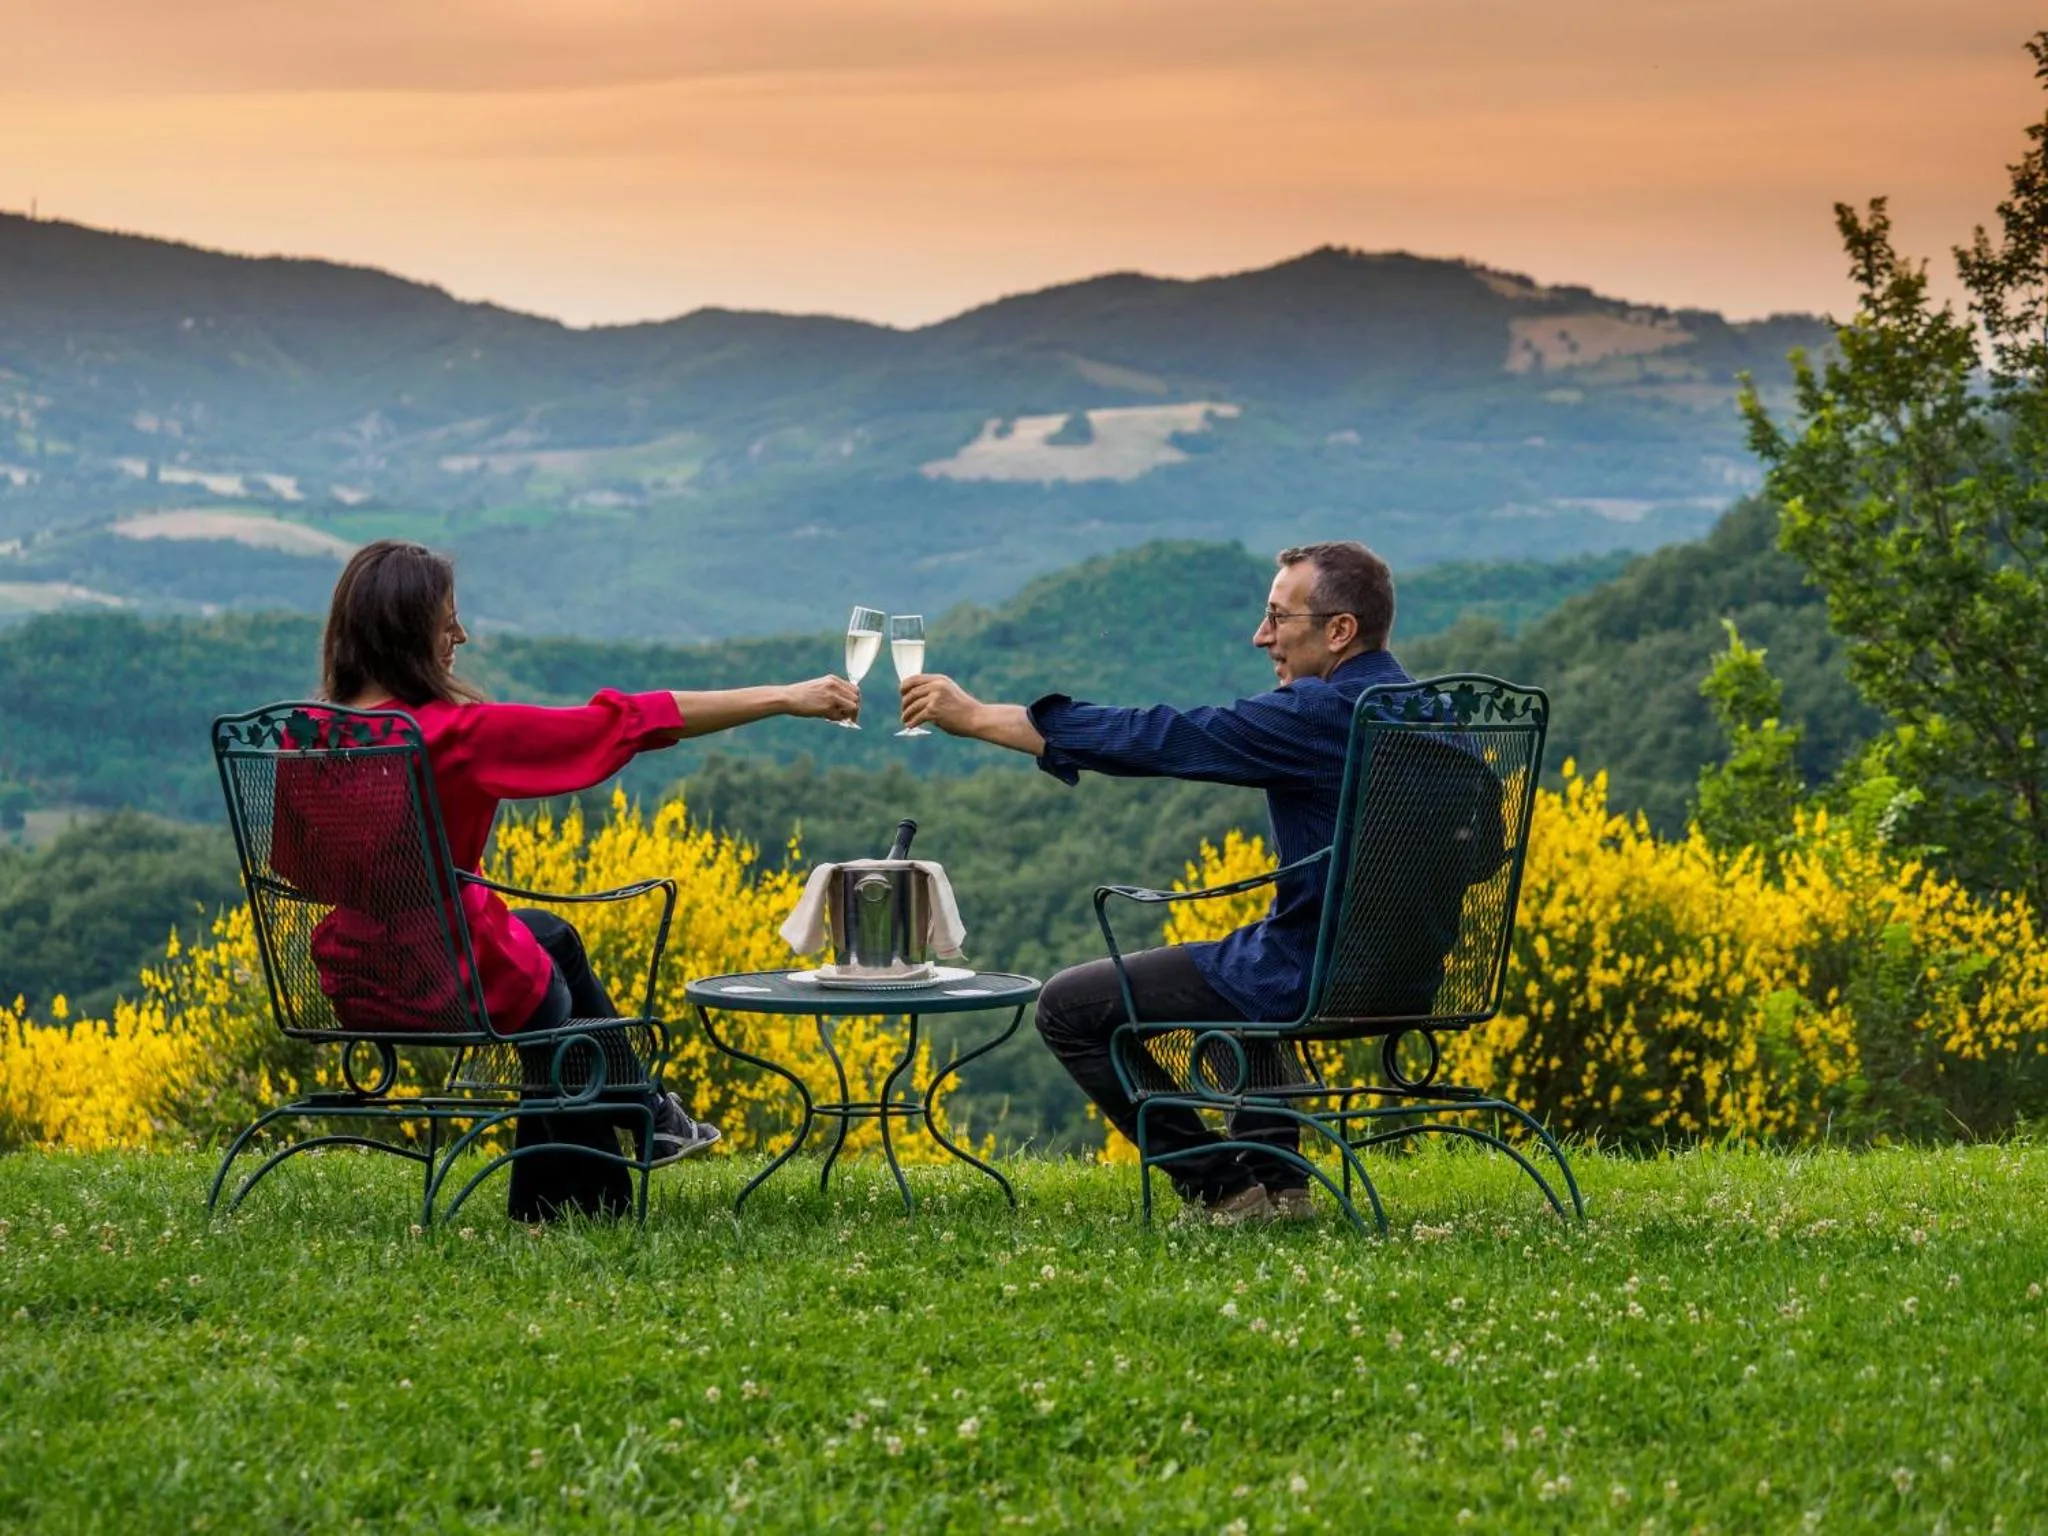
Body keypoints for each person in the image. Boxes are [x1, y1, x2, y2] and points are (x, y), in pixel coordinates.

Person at [302, 539, 858, 1221]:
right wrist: (784, 697)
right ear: (406, 629)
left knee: (550, 935)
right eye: (448, 622)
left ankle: (647, 1108)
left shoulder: (311, 734)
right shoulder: (451, 734)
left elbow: (298, 868)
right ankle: (572, 1204)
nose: (461, 636)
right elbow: (619, 725)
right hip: (439, 977)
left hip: (352, 971)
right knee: (540, 990)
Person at [899, 540, 1416, 1224]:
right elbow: (1488, 849)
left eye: (1277, 619)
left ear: (1340, 630)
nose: (1261, 636)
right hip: (1410, 974)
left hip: (1312, 975)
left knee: (1067, 1007)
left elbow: (1163, 737)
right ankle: (1278, 1182)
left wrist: (978, 718)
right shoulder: (1432, 713)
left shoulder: (1321, 716)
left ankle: (1219, 1187)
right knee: (1247, 964)